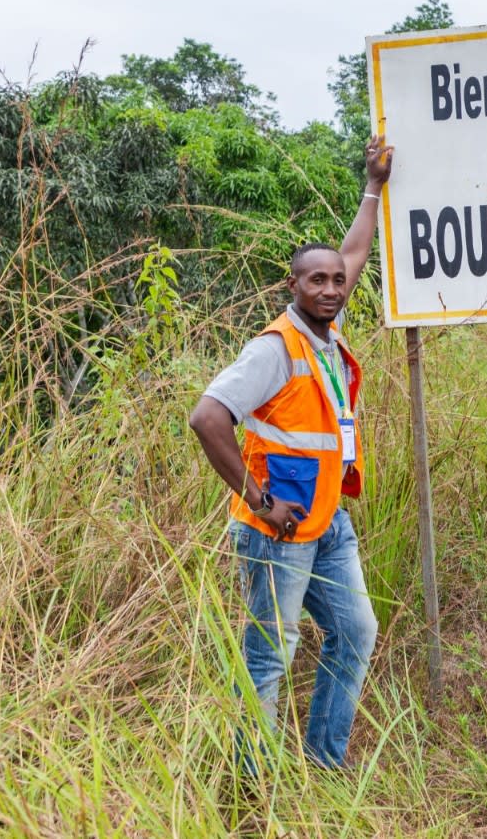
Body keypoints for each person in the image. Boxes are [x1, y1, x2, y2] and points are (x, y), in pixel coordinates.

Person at [189, 134, 394, 771]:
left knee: (355, 633)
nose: (332, 288)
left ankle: (324, 766)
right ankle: (253, 785)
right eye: (317, 280)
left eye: (337, 280)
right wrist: (259, 501)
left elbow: (354, 251)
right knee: (269, 655)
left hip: (327, 518)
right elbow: (207, 418)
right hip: (277, 528)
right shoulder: (275, 348)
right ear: (294, 285)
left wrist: (373, 185)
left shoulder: (325, 332)